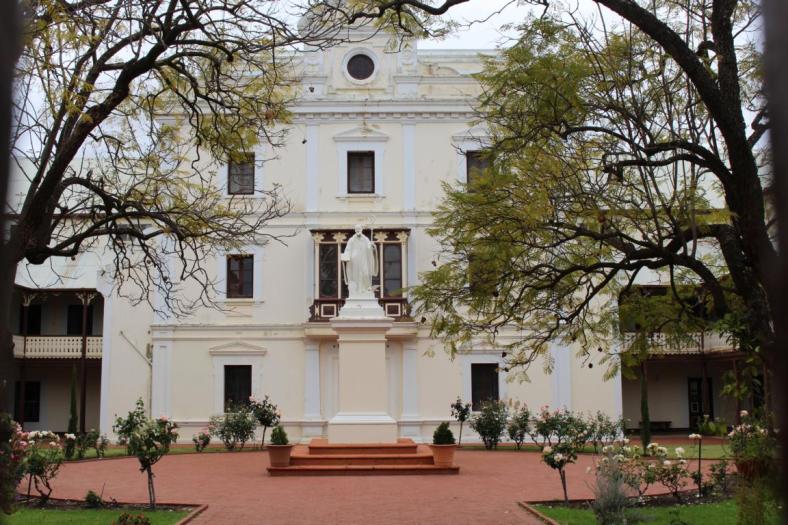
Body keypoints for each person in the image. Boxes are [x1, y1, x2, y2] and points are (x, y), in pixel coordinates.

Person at [341, 224, 378, 298]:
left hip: (363, 260)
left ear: (361, 229)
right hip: (354, 261)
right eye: (356, 229)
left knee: (365, 273)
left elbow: (369, 249)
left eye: (359, 229)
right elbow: (348, 249)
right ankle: (357, 291)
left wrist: (372, 246)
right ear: (355, 230)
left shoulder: (366, 239)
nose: (358, 230)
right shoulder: (351, 240)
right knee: (355, 276)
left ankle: (366, 288)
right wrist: (345, 256)